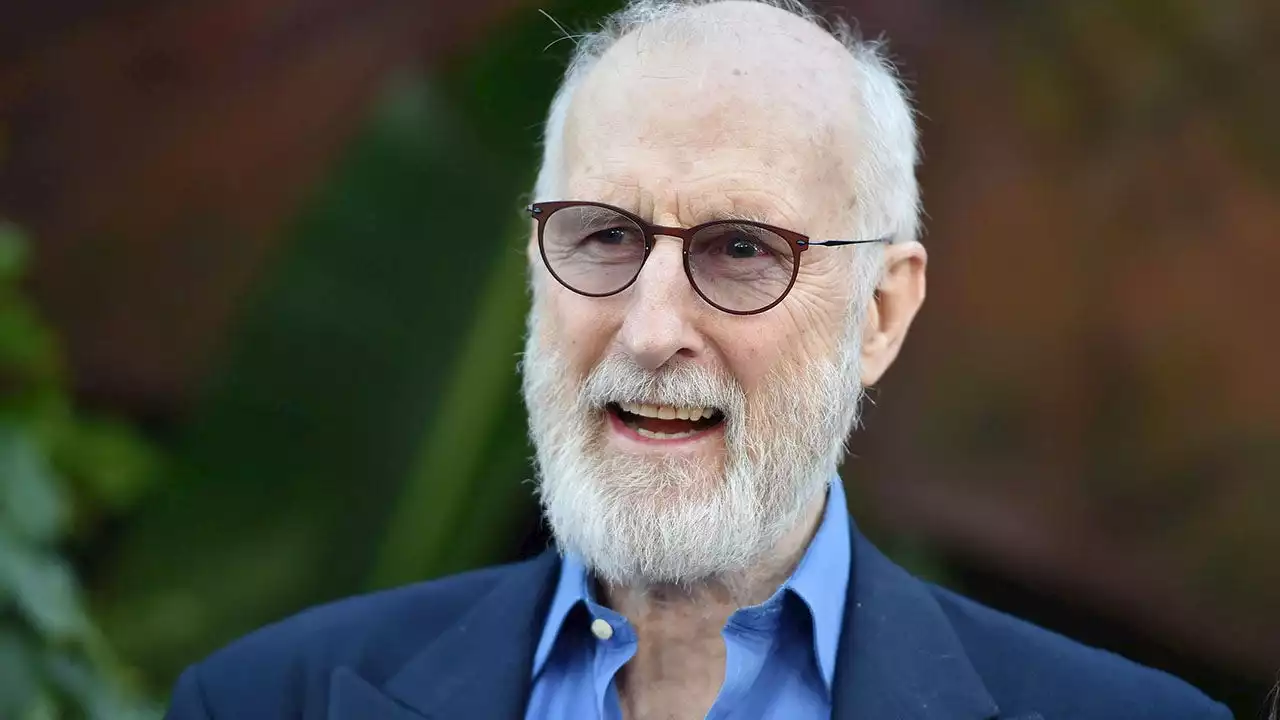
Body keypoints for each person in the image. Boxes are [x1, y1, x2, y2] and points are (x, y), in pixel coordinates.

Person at [163, 1, 1233, 718]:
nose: (648, 328)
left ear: (880, 313)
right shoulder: (267, 698)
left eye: (738, 249)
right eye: (602, 237)